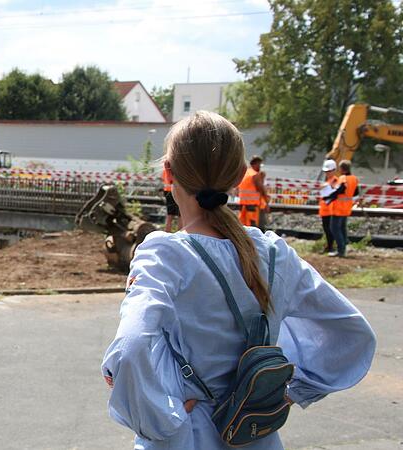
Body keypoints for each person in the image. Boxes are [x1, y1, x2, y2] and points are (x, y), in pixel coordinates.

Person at [101, 111, 375, 450]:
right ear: (238, 176)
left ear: (168, 173)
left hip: (188, 436)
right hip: (255, 433)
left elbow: (129, 349)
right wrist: (294, 391)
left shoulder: (164, 254)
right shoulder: (275, 252)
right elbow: (352, 332)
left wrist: (158, 420)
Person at [324, 160, 360, 257]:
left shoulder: (343, 178)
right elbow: (356, 193)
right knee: (342, 228)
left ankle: (341, 250)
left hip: (339, 208)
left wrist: (329, 197)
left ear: (341, 169)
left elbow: (341, 189)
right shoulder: (354, 178)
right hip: (347, 207)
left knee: (334, 228)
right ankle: (344, 246)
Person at [238, 155, 270, 229]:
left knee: (244, 226)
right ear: (256, 164)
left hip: (243, 204)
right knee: (256, 228)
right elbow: (261, 189)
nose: (260, 167)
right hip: (253, 205)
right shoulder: (255, 175)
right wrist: (267, 202)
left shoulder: (246, 173)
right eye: (259, 165)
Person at [318, 159, 339, 253]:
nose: (327, 173)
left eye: (329, 171)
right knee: (326, 229)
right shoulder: (328, 180)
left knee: (330, 230)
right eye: (326, 171)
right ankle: (329, 246)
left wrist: (325, 186)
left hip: (331, 209)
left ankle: (331, 247)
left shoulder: (335, 180)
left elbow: (333, 191)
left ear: (334, 170)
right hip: (325, 209)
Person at [162, 165, 180, 232]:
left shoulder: (165, 169)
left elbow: (163, 179)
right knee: (180, 215)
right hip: (176, 191)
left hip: (167, 191)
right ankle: (179, 234)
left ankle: (166, 234)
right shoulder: (176, 168)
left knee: (169, 215)